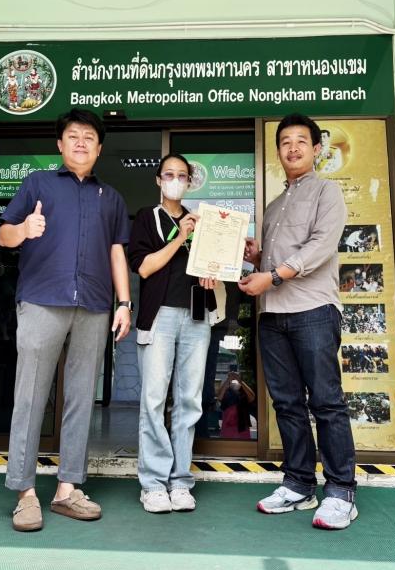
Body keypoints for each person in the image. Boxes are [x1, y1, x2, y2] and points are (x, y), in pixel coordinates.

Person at [0, 108, 132, 531]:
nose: (80, 142)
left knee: (80, 398)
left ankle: (67, 489)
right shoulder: (37, 183)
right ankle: (24, 493)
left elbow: (116, 252)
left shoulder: (110, 197)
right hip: (42, 300)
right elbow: (3, 235)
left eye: (89, 137)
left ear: (99, 148)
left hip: (93, 305)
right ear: (60, 144)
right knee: (30, 397)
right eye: (73, 135)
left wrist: (124, 303)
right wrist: (25, 229)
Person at [239, 113, 357, 530]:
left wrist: (271, 276)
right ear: (277, 151)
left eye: (301, 141)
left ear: (316, 149)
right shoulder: (273, 206)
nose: (293, 148)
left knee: (326, 402)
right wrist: (257, 257)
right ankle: (299, 484)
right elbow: (276, 260)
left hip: (313, 311)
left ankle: (341, 491)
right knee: (287, 404)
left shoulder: (328, 192)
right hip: (273, 315)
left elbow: (321, 246)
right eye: (285, 142)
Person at [128, 154, 217, 513]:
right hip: (160, 316)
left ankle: (180, 481)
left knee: (189, 401)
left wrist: (212, 273)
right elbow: (144, 267)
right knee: (153, 401)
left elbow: (211, 266)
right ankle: (153, 484)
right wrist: (181, 236)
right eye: (170, 174)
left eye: (182, 175)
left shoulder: (202, 221)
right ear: (158, 180)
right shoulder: (146, 218)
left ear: (190, 182)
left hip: (196, 316)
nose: (176, 180)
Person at [218, 371, 255, 439]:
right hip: (227, 431)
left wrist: (240, 381)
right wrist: (228, 379)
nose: (234, 379)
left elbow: (252, 397)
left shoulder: (244, 393)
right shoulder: (226, 393)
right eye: (233, 378)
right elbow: (219, 396)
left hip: (243, 431)